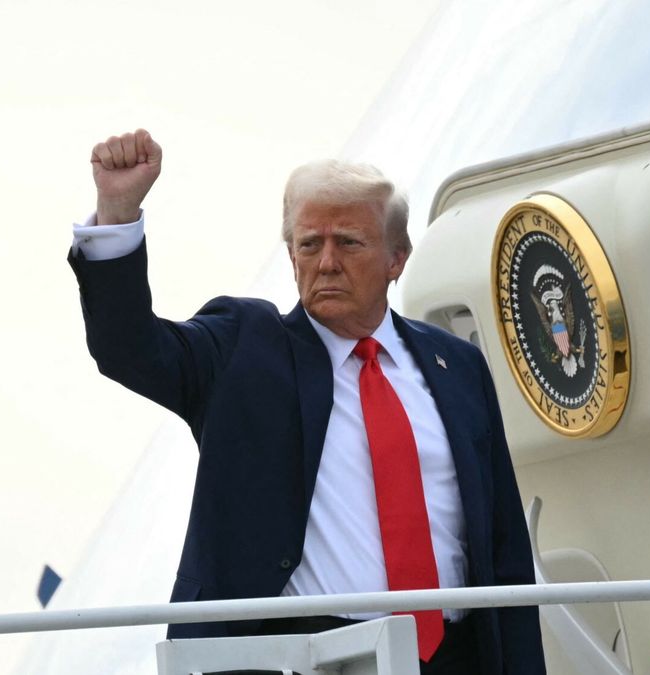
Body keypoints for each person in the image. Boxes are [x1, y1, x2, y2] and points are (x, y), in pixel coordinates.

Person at [68, 129, 546, 675]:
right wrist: (117, 212)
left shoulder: (455, 366)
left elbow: (503, 548)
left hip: (458, 656)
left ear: (397, 258)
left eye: (348, 242)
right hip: (308, 658)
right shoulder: (244, 347)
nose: (325, 262)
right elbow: (126, 347)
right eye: (308, 244)